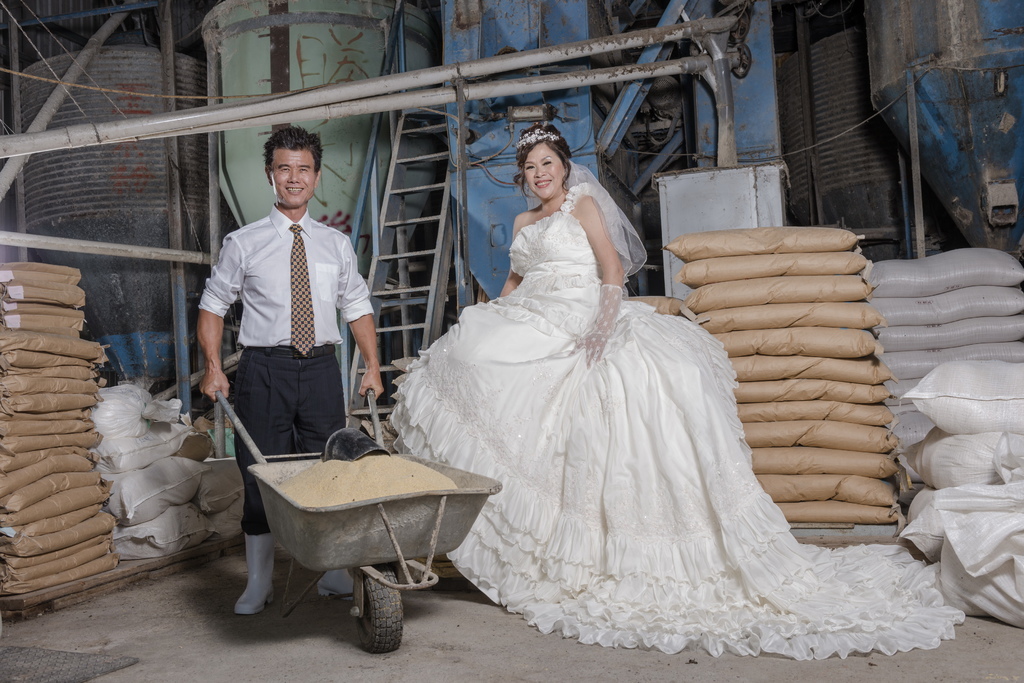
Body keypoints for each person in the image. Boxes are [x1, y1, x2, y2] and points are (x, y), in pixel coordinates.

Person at [390, 123, 964, 659]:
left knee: (623, 389)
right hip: (532, 312)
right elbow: (515, 282)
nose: (541, 174)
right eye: (531, 168)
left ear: (565, 168)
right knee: (470, 355)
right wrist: (487, 311)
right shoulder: (520, 224)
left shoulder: (581, 206)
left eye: (548, 164)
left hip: (583, 312)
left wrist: (601, 328)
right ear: (523, 177)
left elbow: (612, 270)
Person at [198, 125, 383, 615]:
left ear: (317, 177)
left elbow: (358, 306)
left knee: (330, 473)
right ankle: (257, 583)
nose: (294, 178)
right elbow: (213, 306)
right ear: (270, 175)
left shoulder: (335, 244)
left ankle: (332, 574)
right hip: (263, 372)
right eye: (285, 168)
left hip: (322, 370)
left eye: (304, 169)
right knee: (260, 478)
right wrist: (215, 368)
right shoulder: (244, 242)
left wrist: (372, 365)